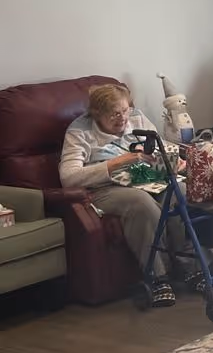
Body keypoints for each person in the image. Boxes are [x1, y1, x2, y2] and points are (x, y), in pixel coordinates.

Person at [59, 84, 204, 306]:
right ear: (96, 114)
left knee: (180, 192)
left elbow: (161, 145)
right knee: (141, 203)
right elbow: (69, 178)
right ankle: (157, 276)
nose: (123, 118)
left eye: (125, 110)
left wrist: (174, 160)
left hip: (146, 179)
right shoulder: (79, 131)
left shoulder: (136, 117)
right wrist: (116, 163)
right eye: (114, 114)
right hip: (105, 188)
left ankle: (192, 268)